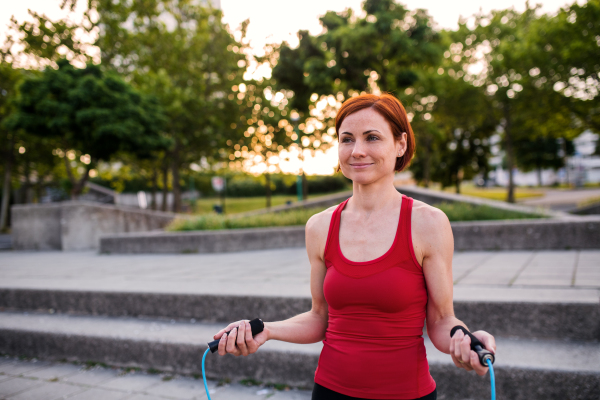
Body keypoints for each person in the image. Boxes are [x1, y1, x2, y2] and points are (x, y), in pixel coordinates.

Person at [212, 93, 496, 400]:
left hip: (406, 395)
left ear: (400, 145)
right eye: (347, 139)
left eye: (372, 137)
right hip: (329, 391)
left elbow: (442, 320)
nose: (357, 151)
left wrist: (464, 340)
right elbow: (319, 317)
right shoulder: (319, 227)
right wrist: (267, 329)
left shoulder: (428, 223)